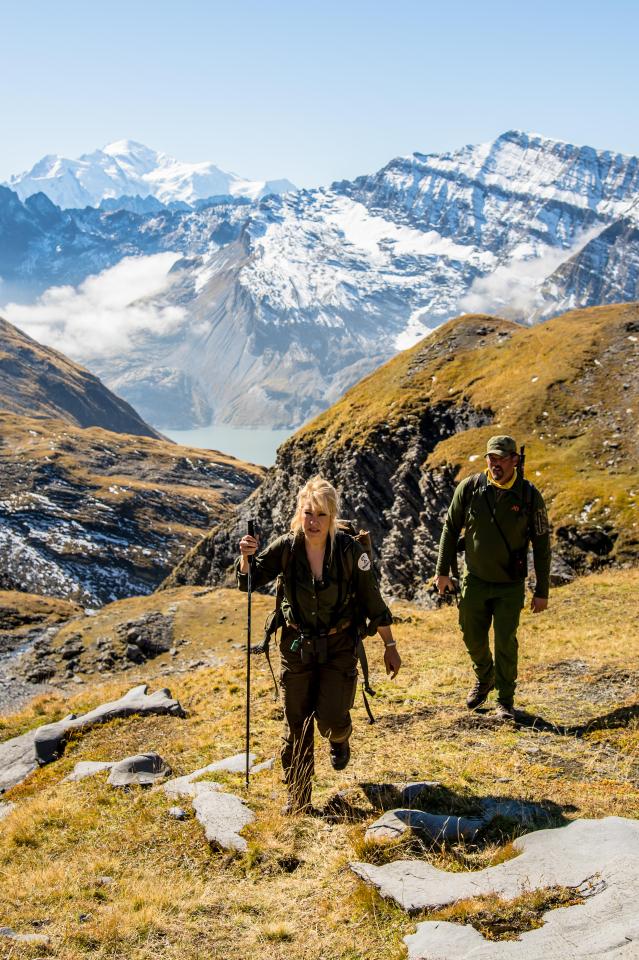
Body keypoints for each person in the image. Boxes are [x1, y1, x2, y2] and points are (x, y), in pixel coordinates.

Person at [237, 476, 401, 813]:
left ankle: (340, 737)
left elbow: (372, 599)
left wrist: (389, 645)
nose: (313, 522)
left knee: (330, 720)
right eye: (308, 514)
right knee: (296, 725)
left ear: (332, 517)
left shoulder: (349, 551)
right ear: (299, 513)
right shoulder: (287, 547)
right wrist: (246, 556)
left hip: (339, 646)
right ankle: (298, 801)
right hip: (296, 647)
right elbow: (249, 580)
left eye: (321, 516)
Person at [435, 436, 550, 720]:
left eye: (501, 458)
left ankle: (505, 701)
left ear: (515, 460)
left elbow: (542, 544)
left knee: (505, 641)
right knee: (472, 636)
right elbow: (451, 528)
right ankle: (485, 676)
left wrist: (542, 590)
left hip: (510, 584)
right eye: (491, 457)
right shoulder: (471, 487)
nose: (495, 463)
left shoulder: (529, 496)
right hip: (473, 580)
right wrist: (442, 572)